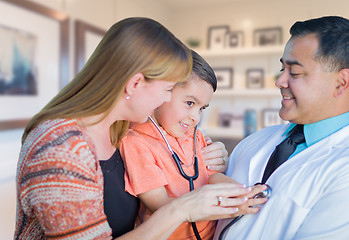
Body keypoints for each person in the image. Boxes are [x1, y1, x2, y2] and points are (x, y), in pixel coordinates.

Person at [14, 17, 256, 240]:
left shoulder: (120, 130)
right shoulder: (61, 149)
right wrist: (181, 209)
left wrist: (212, 160)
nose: (166, 100)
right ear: (135, 83)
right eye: (168, 89)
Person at [214, 16, 349, 240]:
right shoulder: (254, 142)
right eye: (282, 68)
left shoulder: (343, 170)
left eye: (294, 72)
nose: (279, 81)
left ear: (341, 83)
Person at [119, 50, 267, 239]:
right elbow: (161, 205)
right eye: (189, 103)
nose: (195, 118)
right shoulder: (136, 143)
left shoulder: (194, 135)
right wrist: (230, 207)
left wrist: (242, 192)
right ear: (163, 93)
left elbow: (211, 175)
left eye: (202, 108)